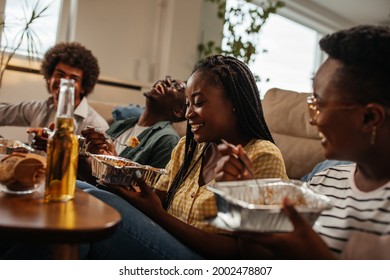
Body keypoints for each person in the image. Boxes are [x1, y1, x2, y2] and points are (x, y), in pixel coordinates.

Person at [0, 55, 287, 260]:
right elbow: (158, 197)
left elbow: (239, 253)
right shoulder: (190, 148)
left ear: (235, 104)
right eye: (187, 104)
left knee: (95, 211)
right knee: (79, 198)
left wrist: (156, 215)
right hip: (166, 237)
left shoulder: (261, 155)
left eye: (198, 103)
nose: (188, 114)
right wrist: (118, 182)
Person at [233, 25, 390, 259]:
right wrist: (247, 203)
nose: (311, 119)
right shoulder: (324, 181)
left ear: (369, 118)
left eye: (318, 104)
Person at [77, 76, 187, 185]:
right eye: (168, 78)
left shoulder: (168, 139)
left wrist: (114, 162)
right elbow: (94, 176)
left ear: (178, 111)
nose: (167, 80)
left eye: (176, 86)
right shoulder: (121, 125)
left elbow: (150, 194)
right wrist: (85, 153)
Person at [0, 42, 109, 144]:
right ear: (49, 78)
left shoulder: (96, 125)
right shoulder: (38, 109)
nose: (64, 82)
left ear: (83, 87)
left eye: (74, 79)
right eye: (60, 74)